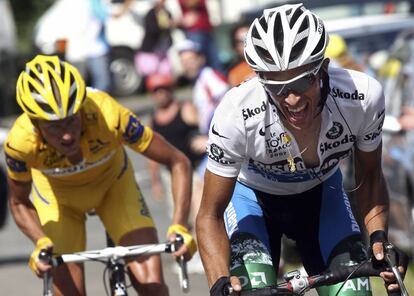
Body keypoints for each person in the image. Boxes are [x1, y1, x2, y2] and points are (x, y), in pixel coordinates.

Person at [195, 4, 408, 296]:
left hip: (322, 196)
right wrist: (219, 281)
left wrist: (380, 240)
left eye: (303, 80)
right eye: (276, 87)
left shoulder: (361, 98)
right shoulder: (235, 113)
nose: (292, 98)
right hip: (252, 201)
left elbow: (370, 176)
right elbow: (209, 215)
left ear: (322, 67)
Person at [4, 55, 196, 296]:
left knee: (153, 289)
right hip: (59, 203)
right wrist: (40, 241)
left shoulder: (108, 114)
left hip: (114, 188)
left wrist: (180, 225)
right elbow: (19, 201)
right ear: (35, 122)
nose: (67, 136)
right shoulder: (20, 143)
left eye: (72, 120)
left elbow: (178, 161)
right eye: (54, 127)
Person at [146, 73, 205, 201]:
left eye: (163, 90)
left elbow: (207, 127)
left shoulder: (185, 109)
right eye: (156, 91)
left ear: (170, 90)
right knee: (178, 217)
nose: (160, 94)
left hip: (195, 170)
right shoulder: (153, 120)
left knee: (198, 214)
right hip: (172, 175)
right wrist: (155, 181)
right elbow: (152, 154)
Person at [177, 0, 224, 73]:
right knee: (198, 64)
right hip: (195, 31)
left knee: (215, 62)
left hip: (207, 29)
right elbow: (190, 3)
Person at [135, 0, 174, 80]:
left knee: (165, 73)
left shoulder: (167, 13)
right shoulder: (151, 14)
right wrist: (163, 25)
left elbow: (169, 29)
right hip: (151, 51)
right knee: (152, 74)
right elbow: (152, 29)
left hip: (163, 49)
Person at [226, 21, 255, 87]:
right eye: (241, 42)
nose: (247, 44)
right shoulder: (235, 74)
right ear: (235, 47)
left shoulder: (275, 63)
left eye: (249, 38)